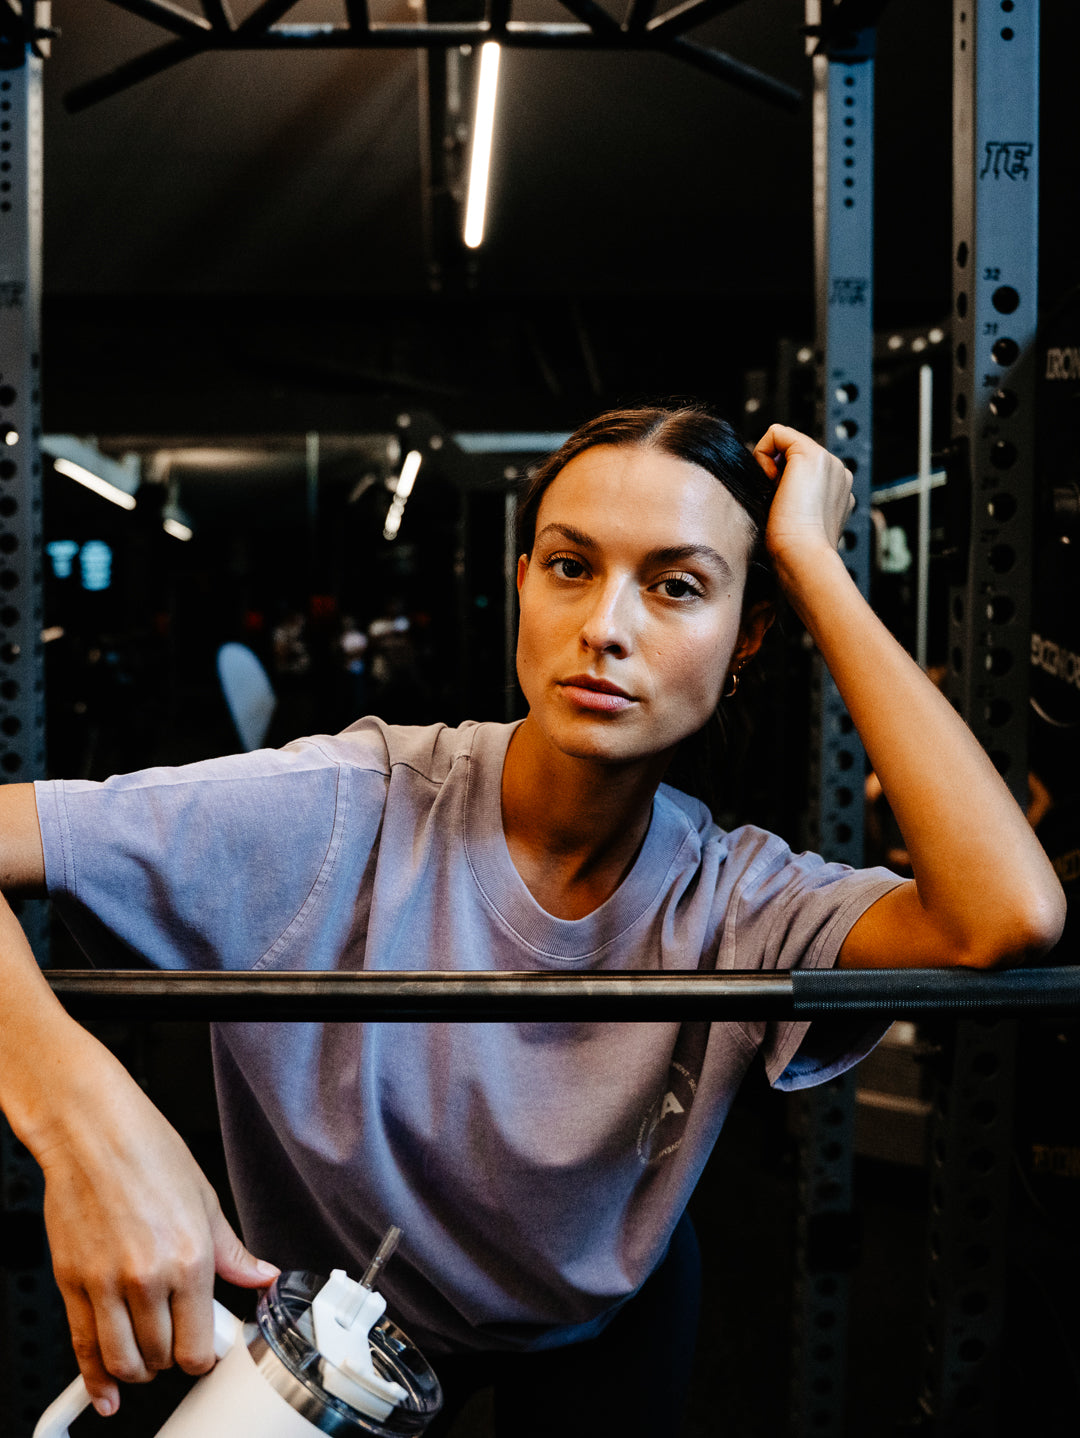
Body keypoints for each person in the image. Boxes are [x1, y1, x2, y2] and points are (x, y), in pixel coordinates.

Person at [0, 408, 1064, 1435]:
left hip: (597, 1307)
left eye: (679, 586)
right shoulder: (340, 808)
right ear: (525, 586)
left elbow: (1007, 917)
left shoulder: (741, 899)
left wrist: (820, 568)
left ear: (751, 638)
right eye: (569, 566)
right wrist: (86, 1122)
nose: (604, 626)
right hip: (332, 1312)